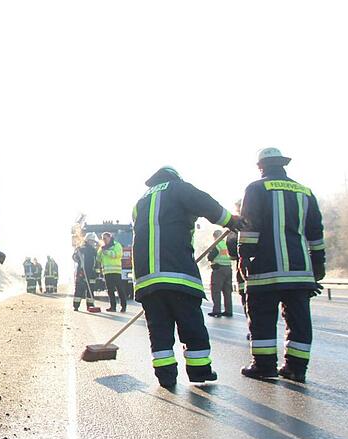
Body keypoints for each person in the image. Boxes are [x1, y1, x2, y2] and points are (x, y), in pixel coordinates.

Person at [132, 166, 241, 388]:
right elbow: (206, 204)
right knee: (191, 325)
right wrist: (231, 220)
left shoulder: (140, 202)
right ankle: (199, 371)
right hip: (178, 274)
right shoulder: (179, 188)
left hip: (146, 279)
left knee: (159, 330)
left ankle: (165, 376)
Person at [238, 147, 325, 383]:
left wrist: (244, 257)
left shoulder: (256, 188)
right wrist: (318, 265)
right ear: (283, 164)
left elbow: (249, 227)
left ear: (261, 166)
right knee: (299, 321)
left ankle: (264, 366)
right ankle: (296, 368)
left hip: (265, 269)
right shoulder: (304, 191)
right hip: (300, 271)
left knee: (262, 317)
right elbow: (315, 233)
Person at [206, 229, 234, 317]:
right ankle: (228, 310)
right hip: (228, 268)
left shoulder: (216, 244)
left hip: (219, 269)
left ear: (214, 236)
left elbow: (210, 257)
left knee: (216, 290)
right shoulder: (225, 245)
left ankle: (217, 310)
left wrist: (209, 254)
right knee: (227, 291)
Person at [98, 232, 127, 312]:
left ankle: (123, 306)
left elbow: (118, 254)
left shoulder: (117, 245)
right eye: (103, 239)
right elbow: (98, 258)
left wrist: (107, 252)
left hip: (116, 271)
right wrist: (100, 253)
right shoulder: (102, 248)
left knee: (120, 289)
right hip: (107, 272)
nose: (104, 240)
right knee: (110, 291)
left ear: (110, 237)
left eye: (105, 238)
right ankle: (113, 307)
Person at [72, 234, 100, 312]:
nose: (93, 243)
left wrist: (97, 273)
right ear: (88, 241)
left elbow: (96, 263)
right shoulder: (81, 249)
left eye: (93, 241)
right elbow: (74, 258)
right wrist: (76, 254)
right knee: (79, 289)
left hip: (91, 274)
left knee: (90, 290)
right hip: (82, 272)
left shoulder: (94, 251)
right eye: (92, 241)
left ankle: (90, 306)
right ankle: (76, 306)